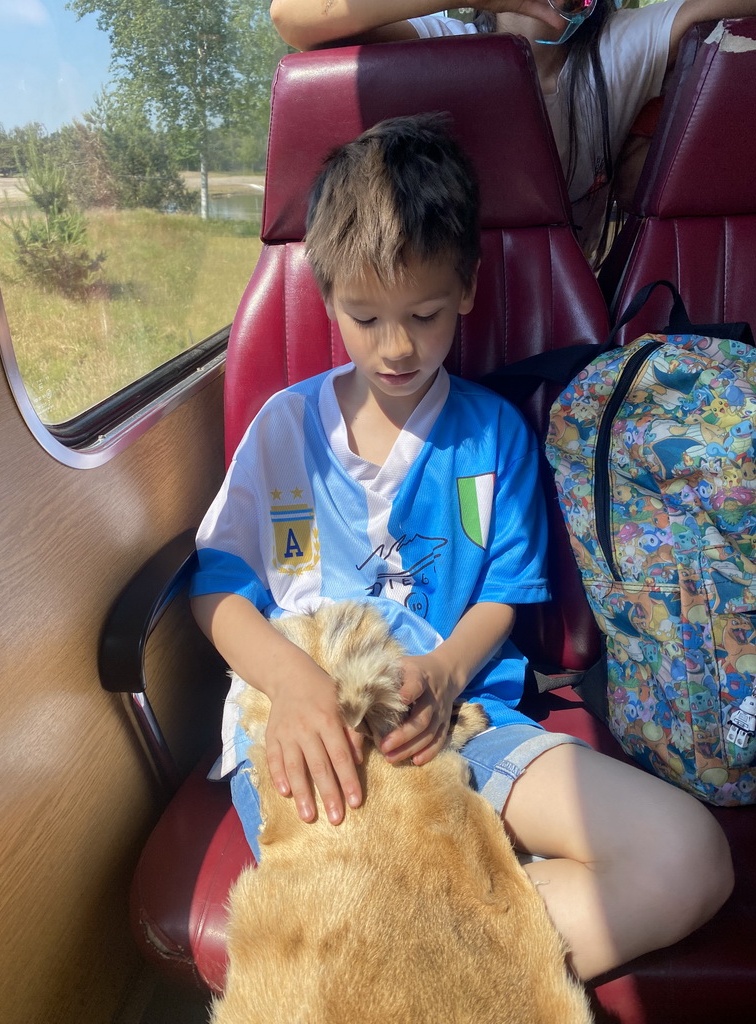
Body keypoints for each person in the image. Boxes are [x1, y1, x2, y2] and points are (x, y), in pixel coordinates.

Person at [190, 114, 733, 981]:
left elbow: (505, 592)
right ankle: (431, 967)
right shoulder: (283, 429)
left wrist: (443, 675)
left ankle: (411, 973)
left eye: (425, 313)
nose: (397, 345)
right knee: (363, 907)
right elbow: (215, 587)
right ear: (325, 296)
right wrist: (293, 686)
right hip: (314, 733)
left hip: (465, 718)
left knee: (688, 859)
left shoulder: (492, 439)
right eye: (364, 317)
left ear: (469, 290)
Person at [269, 0, 756, 262]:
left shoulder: (624, 44)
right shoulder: (443, 40)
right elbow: (294, 16)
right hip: (441, 302)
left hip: (568, 303)